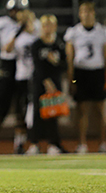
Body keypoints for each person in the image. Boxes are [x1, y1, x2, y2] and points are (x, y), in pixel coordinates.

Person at [0, 0, 31, 154]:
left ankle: (20, 144)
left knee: (21, 108)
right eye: (14, 10)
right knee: (1, 107)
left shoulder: (33, 24)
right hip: (8, 65)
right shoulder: (1, 24)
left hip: (25, 67)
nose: (16, 13)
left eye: (19, 10)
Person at [65, 0, 106, 153]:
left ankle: (103, 143)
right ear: (79, 14)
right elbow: (70, 59)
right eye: (83, 12)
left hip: (97, 72)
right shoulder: (73, 32)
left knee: (100, 109)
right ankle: (82, 143)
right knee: (81, 109)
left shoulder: (103, 32)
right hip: (80, 73)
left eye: (88, 12)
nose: (86, 15)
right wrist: (72, 79)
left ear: (93, 13)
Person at [28, 15, 66, 154]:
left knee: (53, 113)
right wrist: (46, 81)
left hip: (55, 83)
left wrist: (55, 62)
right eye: (45, 25)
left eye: (50, 25)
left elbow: (65, 65)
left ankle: (53, 144)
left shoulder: (59, 44)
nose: (47, 28)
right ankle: (34, 143)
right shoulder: (37, 44)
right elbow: (37, 66)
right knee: (36, 113)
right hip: (39, 83)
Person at [5, 8, 39, 154]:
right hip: (21, 76)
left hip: (35, 76)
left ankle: (33, 142)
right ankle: (19, 143)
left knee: (33, 112)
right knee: (20, 112)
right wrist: (18, 33)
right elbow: (7, 49)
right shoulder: (17, 34)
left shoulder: (37, 32)